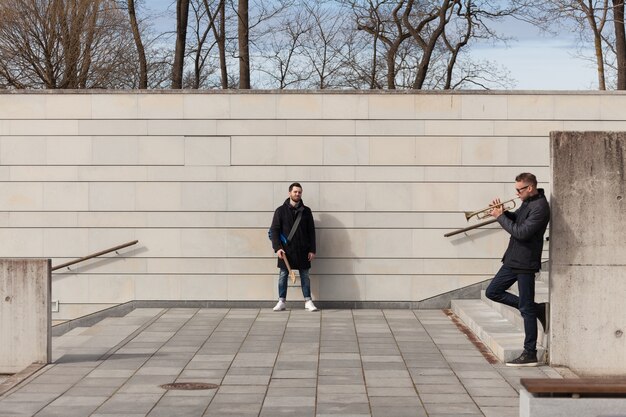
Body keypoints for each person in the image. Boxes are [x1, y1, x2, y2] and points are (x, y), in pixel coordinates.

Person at [486, 172, 550, 367]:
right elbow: (519, 220)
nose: (516, 194)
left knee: (525, 308)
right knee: (492, 291)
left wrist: (500, 218)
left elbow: (521, 233)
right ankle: (538, 308)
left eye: (519, 190)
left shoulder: (540, 207)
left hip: (526, 262)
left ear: (529, 188)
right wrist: (504, 213)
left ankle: (530, 353)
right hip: (513, 259)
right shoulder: (529, 202)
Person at [270, 182, 318, 312]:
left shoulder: (306, 211)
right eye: (295, 191)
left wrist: (312, 250)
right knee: (283, 275)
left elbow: (311, 231)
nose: (297, 194)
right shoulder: (280, 210)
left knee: (305, 276)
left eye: (299, 192)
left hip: (303, 250)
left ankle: (308, 301)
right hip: (285, 251)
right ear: (289, 193)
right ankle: (281, 301)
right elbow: (274, 230)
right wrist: (277, 248)